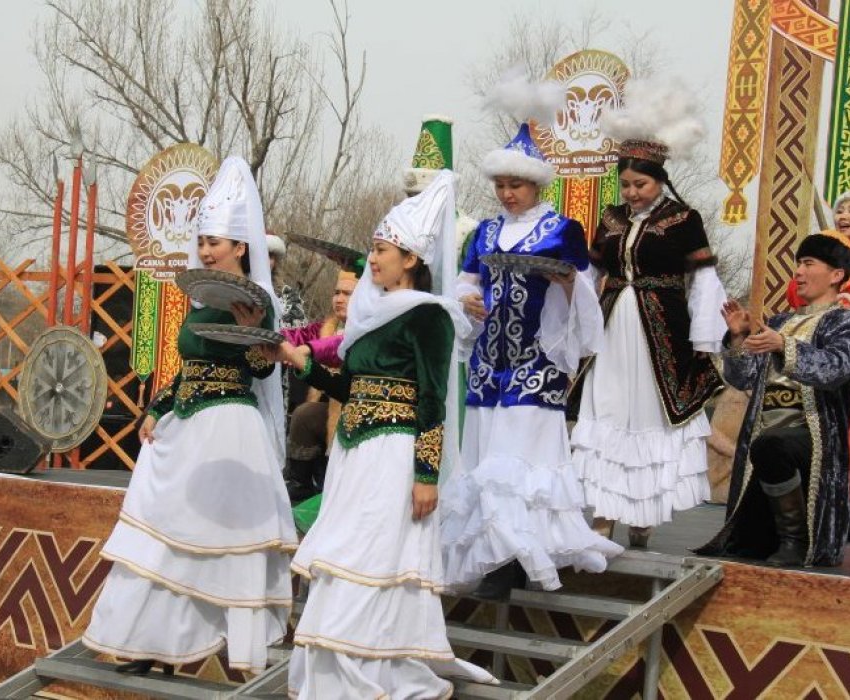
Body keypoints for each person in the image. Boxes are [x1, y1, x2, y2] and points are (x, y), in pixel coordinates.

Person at [270, 170, 496, 698]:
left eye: (381, 250)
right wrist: (297, 362)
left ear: (411, 259)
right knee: (346, 556)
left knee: (377, 556)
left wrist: (425, 474)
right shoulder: (370, 318)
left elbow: (432, 399)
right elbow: (347, 384)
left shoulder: (429, 318)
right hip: (353, 453)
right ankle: (333, 673)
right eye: (373, 249)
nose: (371, 259)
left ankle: (376, 671)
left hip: (396, 454)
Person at [82, 157, 297, 674]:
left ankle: (238, 650)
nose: (204, 250)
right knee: (164, 533)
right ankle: (151, 645)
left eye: (215, 243)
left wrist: (254, 333)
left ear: (240, 247)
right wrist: (157, 408)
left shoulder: (258, 300)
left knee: (220, 541)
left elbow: (261, 372)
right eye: (201, 241)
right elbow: (187, 364)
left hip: (228, 425)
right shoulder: (199, 297)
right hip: (187, 422)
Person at [439, 72, 622, 598]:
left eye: (515, 185)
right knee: (485, 458)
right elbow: (466, 285)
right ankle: (489, 552)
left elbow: (582, 290)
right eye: (500, 185)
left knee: (520, 459)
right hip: (489, 360)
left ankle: (518, 555)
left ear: (536, 185)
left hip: (537, 358)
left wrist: (563, 279)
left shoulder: (562, 229)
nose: (507, 193)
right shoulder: (485, 232)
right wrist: (464, 302)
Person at [569, 78, 728, 549]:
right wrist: (572, 311)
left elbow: (702, 279)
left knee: (650, 416)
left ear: (659, 181)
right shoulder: (612, 218)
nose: (632, 192)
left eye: (640, 184)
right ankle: (603, 516)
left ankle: (643, 519)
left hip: (664, 331)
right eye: (626, 185)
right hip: (614, 323)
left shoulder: (684, 219)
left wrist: (704, 336)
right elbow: (589, 272)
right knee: (608, 409)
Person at [696, 234, 850, 566]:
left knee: (771, 445)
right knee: (765, 446)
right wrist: (738, 338)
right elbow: (744, 378)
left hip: (814, 436)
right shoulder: (780, 322)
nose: (798, 271)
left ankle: (796, 540)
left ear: (836, 274)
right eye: (798, 264)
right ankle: (776, 538)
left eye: (808, 264)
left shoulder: (844, 321)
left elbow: (835, 370)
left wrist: (785, 346)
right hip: (766, 434)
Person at [282, 267, 359, 502]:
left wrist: (309, 351)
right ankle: (300, 485)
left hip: (360, 410)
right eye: (336, 292)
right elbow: (294, 336)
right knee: (305, 414)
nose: (339, 299)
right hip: (328, 406)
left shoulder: (366, 329)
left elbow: (337, 345)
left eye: (347, 294)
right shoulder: (324, 328)